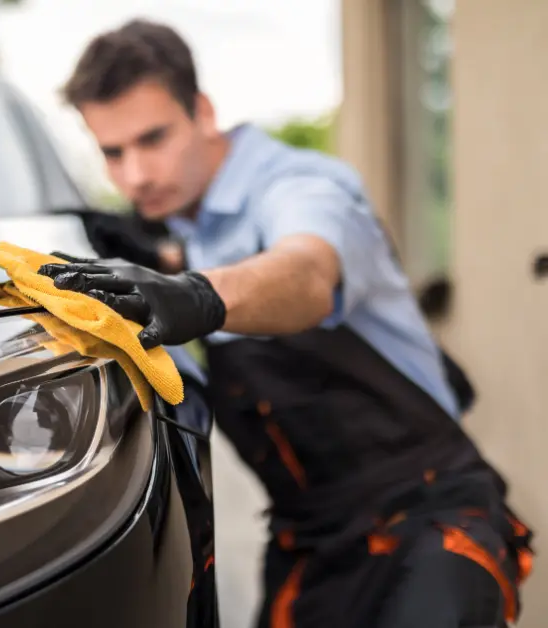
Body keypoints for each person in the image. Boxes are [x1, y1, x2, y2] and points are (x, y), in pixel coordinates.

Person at [40, 18, 534, 628]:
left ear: (203, 110)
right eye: (112, 153)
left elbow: (305, 272)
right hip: (311, 547)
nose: (136, 174)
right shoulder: (190, 232)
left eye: (153, 138)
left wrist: (195, 292)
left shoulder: (301, 186)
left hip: (429, 521)